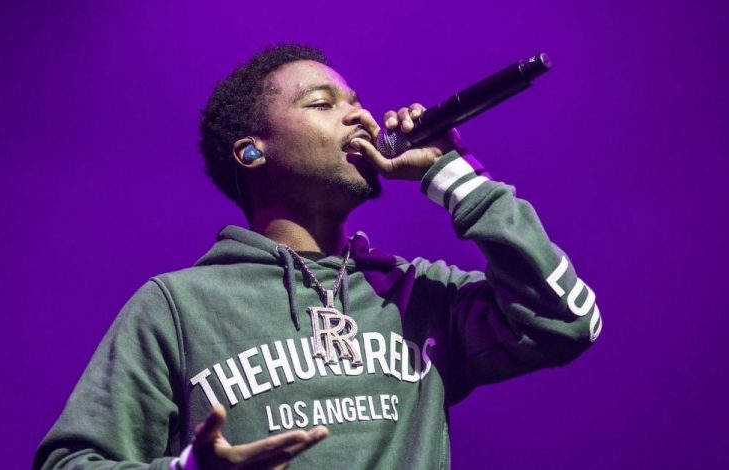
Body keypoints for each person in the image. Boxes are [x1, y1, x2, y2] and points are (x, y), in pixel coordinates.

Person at [34, 44, 602, 470]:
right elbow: (70, 462)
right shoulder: (177, 307)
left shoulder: (415, 294)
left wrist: (452, 173)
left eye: (357, 104)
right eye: (323, 104)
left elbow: (567, 322)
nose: (361, 117)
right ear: (251, 152)